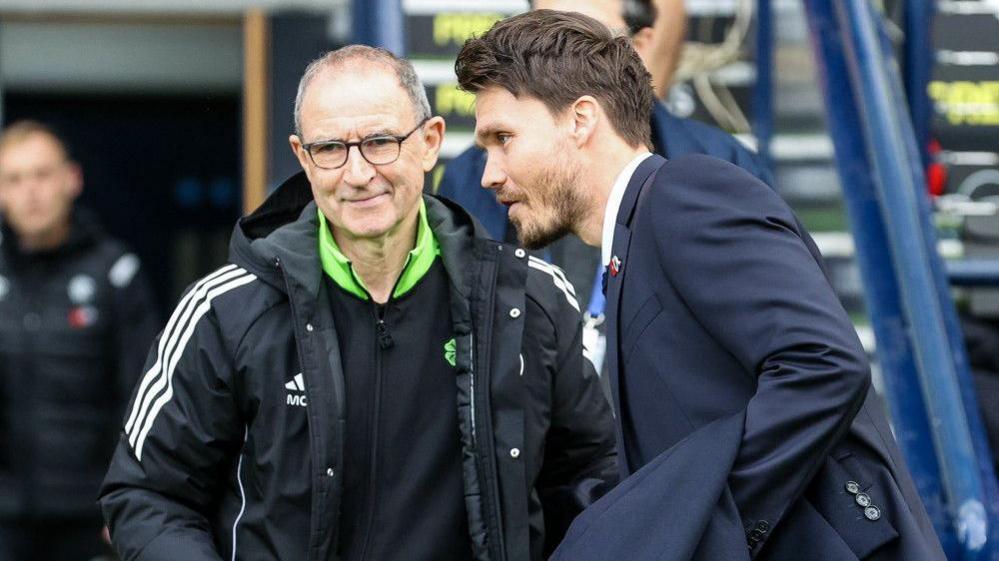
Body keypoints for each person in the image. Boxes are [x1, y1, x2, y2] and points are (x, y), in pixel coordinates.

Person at [456, 10, 946, 561]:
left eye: (503, 138)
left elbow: (825, 365)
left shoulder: (685, 192)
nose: (488, 174)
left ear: (581, 119)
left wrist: (702, 524)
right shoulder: (636, 237)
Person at [99, 45, 616, 561]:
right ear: (302, 157)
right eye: (330, 149)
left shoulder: (530, 299)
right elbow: (146, 494)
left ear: (430, 142)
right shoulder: (225, 310)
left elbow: (597, 482)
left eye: (380, 141)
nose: (358, 172)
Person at [438, 0, 770, 309]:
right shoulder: (467, 179)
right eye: (537, 42)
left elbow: (787, 343)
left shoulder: (726, 168)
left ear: (637, 50)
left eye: (582, 43)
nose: (549, 64)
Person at [0, 120, 159, 561]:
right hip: (6, 515)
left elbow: (142, 397)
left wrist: (128, 501)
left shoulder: (116, 273)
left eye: (41, 174)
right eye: (14, 178)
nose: (30, 191)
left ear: (72, 180)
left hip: (88, 515)